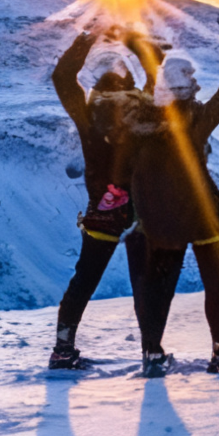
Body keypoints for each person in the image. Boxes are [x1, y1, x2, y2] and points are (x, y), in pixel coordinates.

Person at [128, 19, 219, 375]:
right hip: (202, 215)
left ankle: (152, 353)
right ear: (190, 86)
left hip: (161, 223)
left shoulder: (139, 123)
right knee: (216, 286)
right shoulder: (198, 117)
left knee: (159, 289)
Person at [46, 26, 159, 370]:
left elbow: (62, 77)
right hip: (142, 212)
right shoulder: (145, 107)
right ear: (128, 80)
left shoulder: (88, 114)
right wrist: (135, 42)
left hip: (103, 211)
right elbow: (159, 74)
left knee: (84, 280)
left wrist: (86, 37)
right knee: (146, 282)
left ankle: (63, 349)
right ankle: (152, 354)